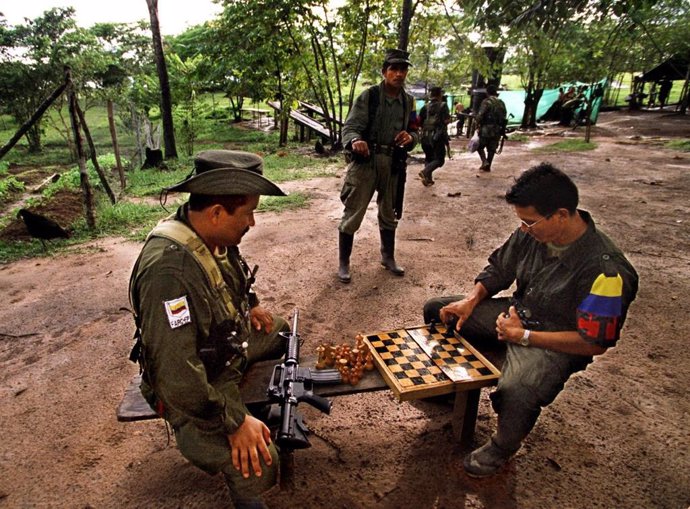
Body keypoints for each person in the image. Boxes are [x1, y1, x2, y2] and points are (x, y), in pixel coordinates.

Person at [422, 163, 639, 478]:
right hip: (517, 316)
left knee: (517, 388)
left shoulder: (606, 271)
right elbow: (500, 269)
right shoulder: (534, 232)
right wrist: (471, 301)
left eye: (529, 222)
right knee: (438, 310)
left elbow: (593, 342)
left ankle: (502, 445)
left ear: (561, 215)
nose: (524, 229)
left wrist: (523, 336)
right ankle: (448, 393)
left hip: (555, 341)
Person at [129, 150, 290, 509]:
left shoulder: (206, 231)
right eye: (248, 212)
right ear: (217, 212)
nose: (252, 222)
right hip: (197, 386)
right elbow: (177, 377)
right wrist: (234, 422)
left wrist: (252, 305)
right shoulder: (168, 272)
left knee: (279, 332)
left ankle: (255, 413)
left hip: (225, 348)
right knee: (261, 462)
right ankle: (248, 442)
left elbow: (233, 271)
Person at [337, 48, 418, 283]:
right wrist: (355, 141)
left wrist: (411, 138)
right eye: (394, 69)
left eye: (403, 69)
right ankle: (344, 263)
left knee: (389, 212)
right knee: (353, 212)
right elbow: (350, 126)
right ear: (385, 71)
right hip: (366, 162)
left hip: (393, 163)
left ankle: (388, 257)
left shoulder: (409, 102)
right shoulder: (369, 97)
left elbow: (415, 130)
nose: (399, 74)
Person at [418, 86, 451, 187]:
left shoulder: (425, 107)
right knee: (439, 160)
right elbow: (446, 120)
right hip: (438, 137)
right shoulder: (443, 106)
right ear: (440, 94)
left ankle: (428, 179)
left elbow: (419, 121)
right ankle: (425, 172)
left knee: (429, 157)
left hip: (425, 136)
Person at [475, 84, 507, 172]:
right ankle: (488, 166)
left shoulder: (486, 102)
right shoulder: (501, 102)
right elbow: (504, 115)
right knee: (492, 148)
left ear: (487, 92)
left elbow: (480, 115)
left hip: (486, 128)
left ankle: (484, 161)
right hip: (497, 128)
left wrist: (477, 122)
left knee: (479, 145)